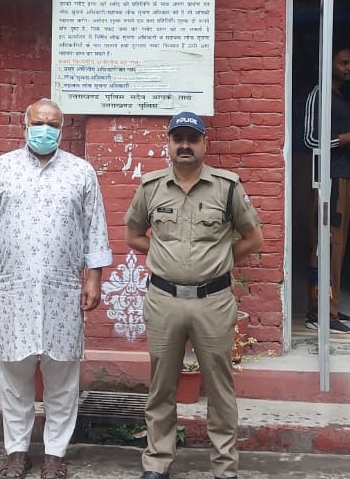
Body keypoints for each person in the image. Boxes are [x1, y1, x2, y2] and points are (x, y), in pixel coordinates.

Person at [0, 99, 112, 479]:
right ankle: (16, 452)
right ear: (25, 125)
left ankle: (55, 454)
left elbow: (95, 227)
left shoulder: (81, 173)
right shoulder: (1, 170)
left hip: (63, 289)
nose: (45, 129)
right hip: (13, 289)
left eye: (52, 124)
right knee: (13, 377)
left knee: (62, 378)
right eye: (38, 122)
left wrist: (94, 277)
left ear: (61, 129)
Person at [124, 111, 263, 479]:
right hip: (164, 301)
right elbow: (133, 234)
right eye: (178, 138)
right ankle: (157, 463)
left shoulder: (227, 187)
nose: (184, 145)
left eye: (192, 138)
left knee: (219, 387)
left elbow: (253, 238)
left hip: (213, 301)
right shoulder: (151, 187)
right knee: (161, 386)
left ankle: (224, 467)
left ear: (205, 144)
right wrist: (162, 257)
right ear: (169, 144)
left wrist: (218, 261)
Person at [301, 46, 350, 334]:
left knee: (337, 246)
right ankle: (317, 311)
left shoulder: (340, 98)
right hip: (326, 179)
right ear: (327, 63)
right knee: (325, 245)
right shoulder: (318, 94)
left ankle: (329, 306)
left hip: (342, 177)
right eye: (343, 62)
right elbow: (310, 140)